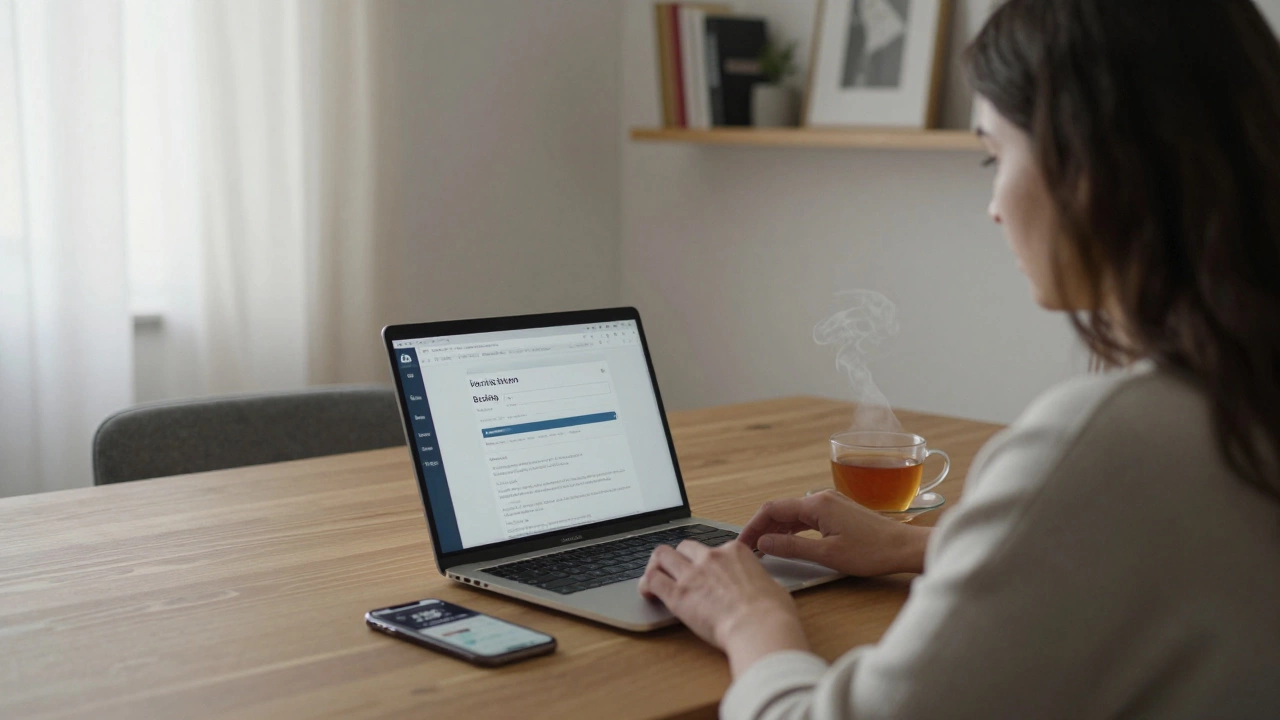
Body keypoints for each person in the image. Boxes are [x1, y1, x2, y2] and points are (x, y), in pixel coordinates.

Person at [637, 1, 1280, 717]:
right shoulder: (1240, 397)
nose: (994, 206)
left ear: (1093, 164)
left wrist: (747, 620)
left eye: (995, 155)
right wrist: (915, 545)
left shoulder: (1107, 442)